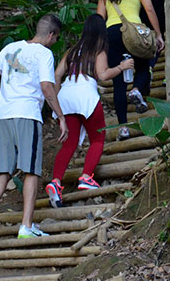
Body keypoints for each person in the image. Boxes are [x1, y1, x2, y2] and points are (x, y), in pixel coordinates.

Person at [0, 14, 69, 245]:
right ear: (51, 35)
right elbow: (47, 87)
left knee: (2, 171)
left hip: (5, 115)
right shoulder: (44, 54)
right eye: (55, 38)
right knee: (31, 171)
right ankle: (26, 226)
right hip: (28, 114)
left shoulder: (11, 47)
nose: (54, 43)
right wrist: (60, 116)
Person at [45, 14, 134, 208]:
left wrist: (58, 99)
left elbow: (57, 75)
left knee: (69, 144)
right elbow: (102, 75)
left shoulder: (72, 51)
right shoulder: (98, 50)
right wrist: (121, 66)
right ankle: (86, 177)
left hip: (67, 95)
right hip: (86, 95)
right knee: (97, 138)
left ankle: (56, 182)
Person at [96, 0, 165, 140]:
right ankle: (136, 89)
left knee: (118, 82)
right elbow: (149, 9)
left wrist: (100, 43)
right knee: (144, 63)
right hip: (134, 32)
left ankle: (123, 128)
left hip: (112, 34)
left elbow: (100, 18)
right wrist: (158, 34)